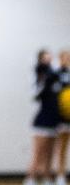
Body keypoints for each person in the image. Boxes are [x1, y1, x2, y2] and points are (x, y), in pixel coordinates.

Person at [26, 49, 61, 185]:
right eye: (45, 58)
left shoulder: (54, 74)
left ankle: (47, 176)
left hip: (54, 117)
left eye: (50, 58)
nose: (48, 60)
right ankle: (30, 178)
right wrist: (44, 79)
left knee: (51, 151)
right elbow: (35, 94)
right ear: (40, 59)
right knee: (38, 151)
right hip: (42, 118)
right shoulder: (39, 74)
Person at [54, 49, 70, 185]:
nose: (67, 60)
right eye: (65, 57)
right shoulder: (55, 74)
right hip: (62, 117)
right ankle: (60, 175)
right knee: (62, 148)